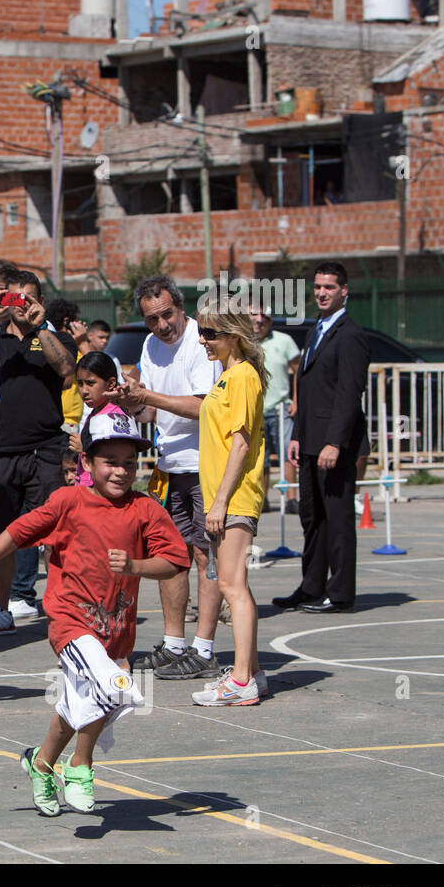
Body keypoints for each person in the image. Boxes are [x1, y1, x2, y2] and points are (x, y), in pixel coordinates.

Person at [0, 412, 189, 814]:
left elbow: (175, 560)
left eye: (130, 463)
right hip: (71, 624)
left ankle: (41, 764)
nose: (121, 471)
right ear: (87, 464)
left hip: (115, 630)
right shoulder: (68, 502)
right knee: (110, 686)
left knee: (85, 701)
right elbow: (16, 531)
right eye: (110, 461)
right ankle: (81, 766)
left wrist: (135, 566)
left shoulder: (144, 508)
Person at [111, 275, 223, 679]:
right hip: (170, 462)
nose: (162, 325)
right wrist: (129, 402)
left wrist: (147, 398)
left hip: (205, 463)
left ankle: (205, 648)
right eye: (152, 319)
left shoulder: (202, 341)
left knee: (205, 555)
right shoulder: (150, 345)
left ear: (180, 307)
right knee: (170, 556)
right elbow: (152, 411)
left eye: (167, 315)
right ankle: (175, 644)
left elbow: (202, 406)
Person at [0, 268, 77, 632]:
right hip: (2, 450)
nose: (20, 306)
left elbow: (66, 368)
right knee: (2, 535)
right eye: (13, 298)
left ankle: (61, 606)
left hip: (46, 450)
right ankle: (0, 608)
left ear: (41, 301)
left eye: (27, 298)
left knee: (56, 533)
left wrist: (39, 326)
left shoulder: (54, 336)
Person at [273, 261, 369, 615]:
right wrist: (298, 434)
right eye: (317, 287)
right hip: (310, 440)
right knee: (312, 518)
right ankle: (311, 586)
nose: (322, 293)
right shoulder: (316, 330)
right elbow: (308, 388)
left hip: (334, 444)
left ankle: (341, 593)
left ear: (344, 291)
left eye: (329, 287)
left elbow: (348, 393)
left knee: (338, 518)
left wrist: (334, 443)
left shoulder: (351, 334)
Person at [189, 298, 270, 704]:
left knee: (231, 585)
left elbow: (240, 443)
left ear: (234, 335)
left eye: (212, 333)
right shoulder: (226, 376)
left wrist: (219, 502)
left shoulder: (241, 377)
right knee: (236, 583)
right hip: (223, 496)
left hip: (234, 496)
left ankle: (241, 681)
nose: (204, 340)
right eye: (201, 331)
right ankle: (251, 671)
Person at [252, 306, 301, 510]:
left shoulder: (284, 341)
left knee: (287, 455)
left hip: (281, 408)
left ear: (271, 321)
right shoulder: (243, 342)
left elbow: (299, 370)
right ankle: (262, 500)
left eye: (264, 316)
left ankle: (291, 497)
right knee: (260, 457)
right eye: (254, 315)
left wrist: (296, 400)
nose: (259, 320)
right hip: (255, 409)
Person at [70, 352, 129, 487]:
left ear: (111, 383)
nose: (84, 390)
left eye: (90, 383)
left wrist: (84, 448)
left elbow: (118, 458)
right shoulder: (95, 412)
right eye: (80, 383)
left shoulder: (116, 416)